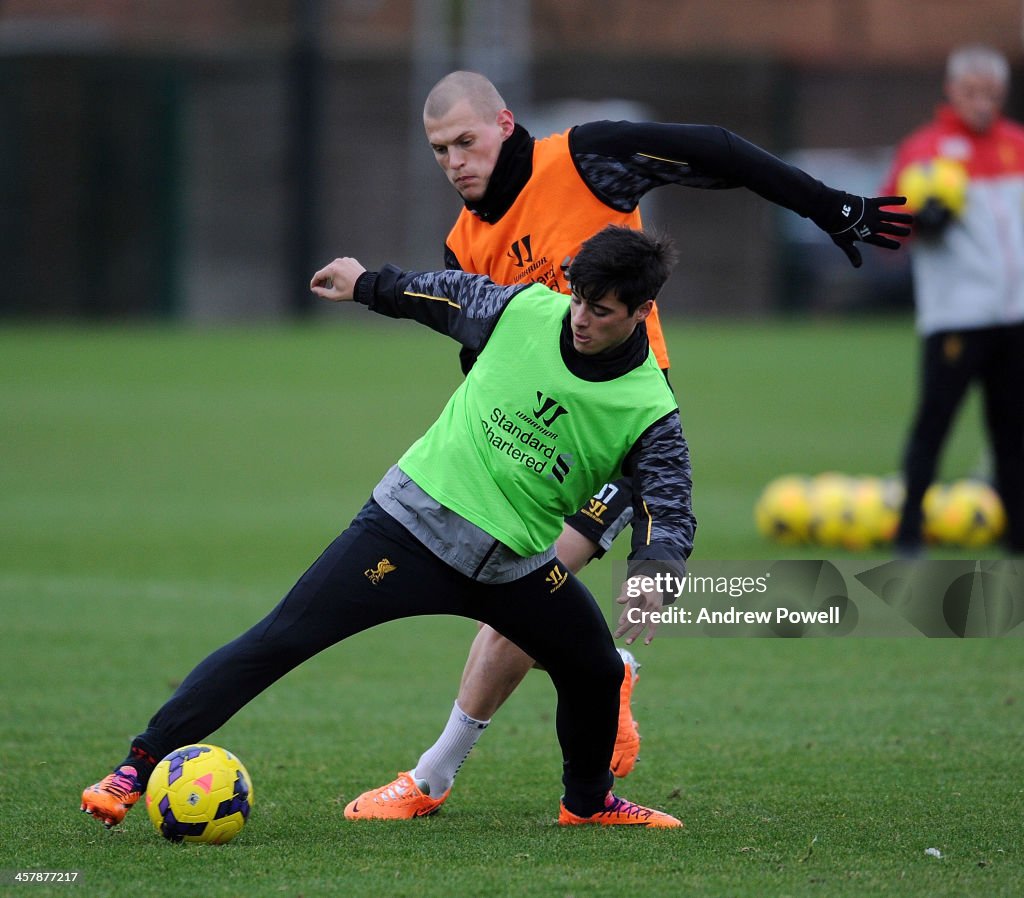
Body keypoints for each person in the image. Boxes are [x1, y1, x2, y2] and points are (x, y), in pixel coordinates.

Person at [344, 70, 913, 820]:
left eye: (466, 141)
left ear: (505, 125)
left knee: (517, 602)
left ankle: (431, 778)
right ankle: (602, 673)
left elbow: (716, 149)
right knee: (523, 605)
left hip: (622, 439)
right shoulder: (462, 242)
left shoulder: (586, 160)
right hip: (540, 450)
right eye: (440, 149)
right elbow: (483, 362)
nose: (454, 161)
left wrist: (827, 206)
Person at [81, 225, 699, 830]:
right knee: (280, 639)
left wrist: (655, 569)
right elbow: (443, 293)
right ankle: (135, 767)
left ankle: (588, 803)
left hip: (514, 565)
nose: (580, 319)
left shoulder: (649, 404)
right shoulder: (525, 309)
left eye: (600, 310)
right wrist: (367, 284)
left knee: (594, 668)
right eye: (577, 300)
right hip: (408, 531)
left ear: (642, 311)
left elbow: (668, 502)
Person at [881, 45, 1024, 554]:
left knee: (1012, 428)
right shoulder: (926, 149)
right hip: (958, 315)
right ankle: (909, 531)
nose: (982, 101)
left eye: (992, 92)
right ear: (952, 90)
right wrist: (920, 219)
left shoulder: (1017, 144)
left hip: (1014, 314)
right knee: (936, 422)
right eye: (972, 91)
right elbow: (888, 224)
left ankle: (1016, 532)